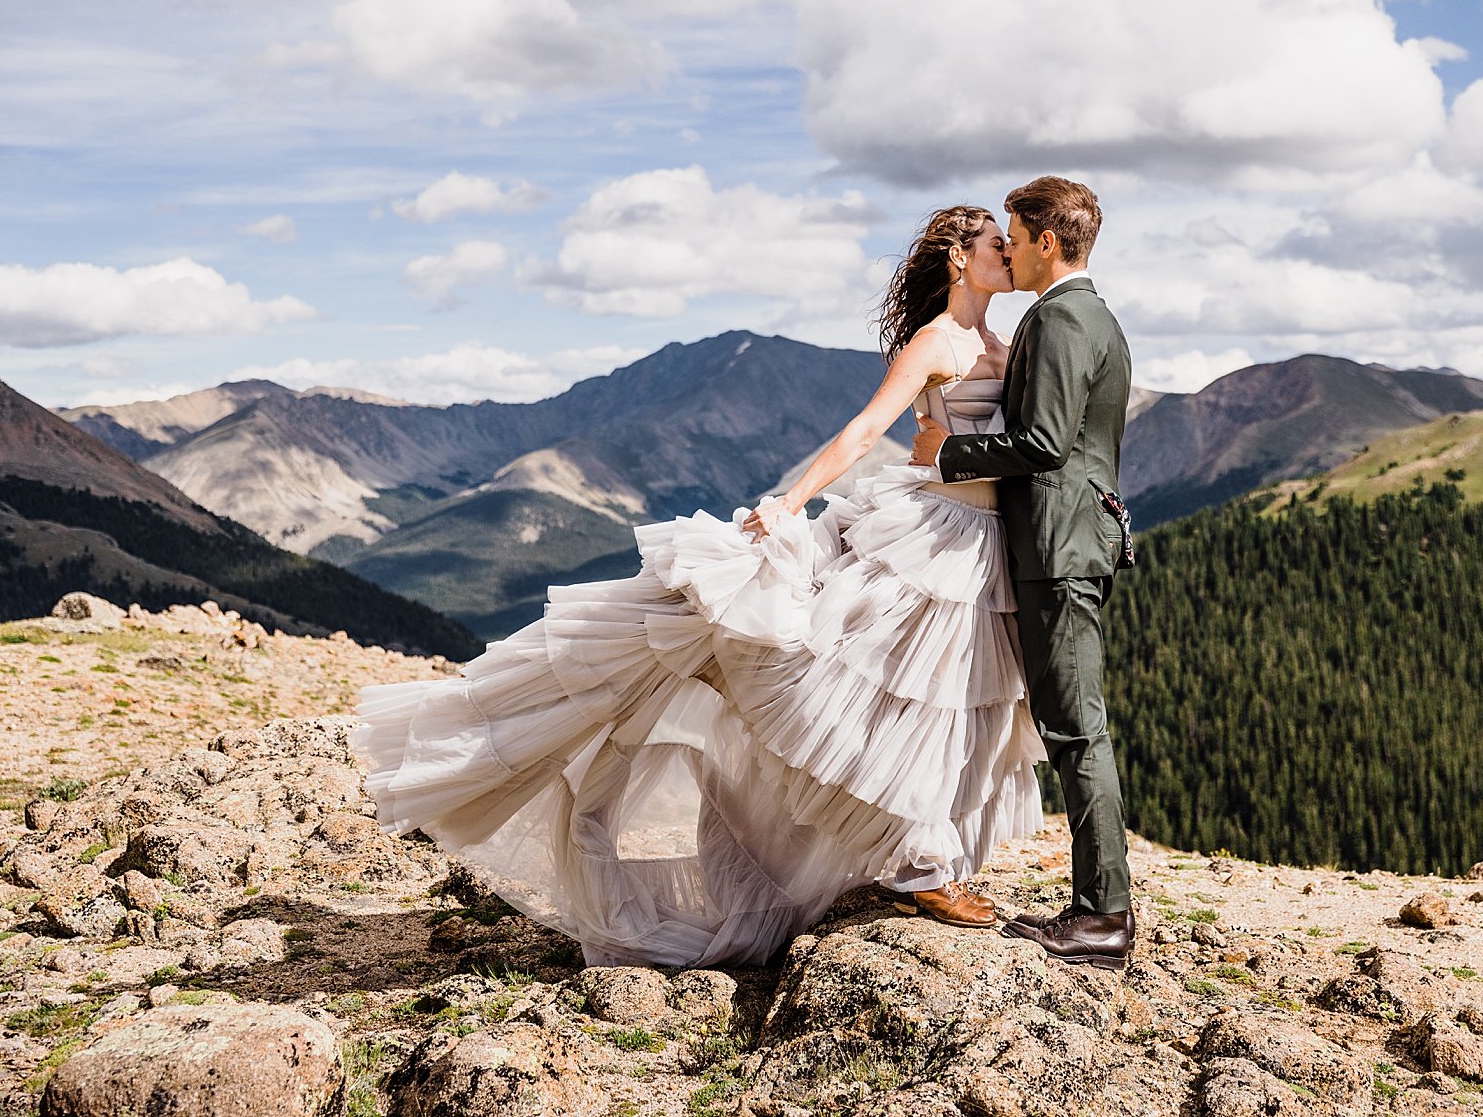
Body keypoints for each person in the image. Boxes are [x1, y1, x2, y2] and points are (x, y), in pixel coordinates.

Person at [351, 204, 1044, 968]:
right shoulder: (935, 342)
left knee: (949, 706)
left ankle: (928, 858)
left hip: (982, 548)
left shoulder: (1005, 347)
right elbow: (862, 431)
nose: (1009, 256)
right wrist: (792, 498)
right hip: (931, 538)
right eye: (995, 245)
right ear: (957, 257)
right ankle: (924, 867)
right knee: (897, 703)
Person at [911, 175, 1136, 970]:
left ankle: (1104, 916)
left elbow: (1041, 442)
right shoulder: (1089, 314)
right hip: (1069, 541)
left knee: (1076, 728)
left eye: (1014, 234)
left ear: (1047, 241)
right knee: (1074, 724)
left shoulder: (1063, 318)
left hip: (1058, 546)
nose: (1007, 247)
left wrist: (947, 454)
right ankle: (1095, 907)